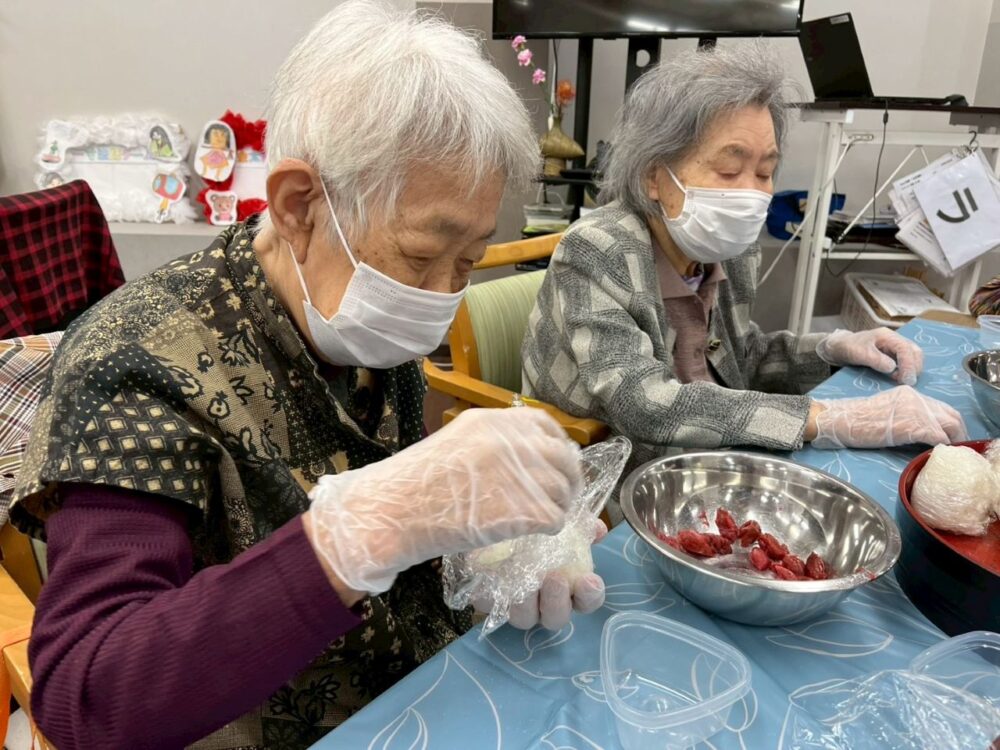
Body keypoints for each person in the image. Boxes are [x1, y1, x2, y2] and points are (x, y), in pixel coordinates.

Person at [7, 3, 603, 748]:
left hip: (420, 695)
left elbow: (414, 523)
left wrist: (491, 553)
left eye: (470, 260)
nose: (444, 295)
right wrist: (362, 531)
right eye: (423, 256)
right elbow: (86, 695)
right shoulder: (136, 363)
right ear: (298, 206)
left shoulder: (357, 317)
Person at [521, 43, 967, 489]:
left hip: (708, 456)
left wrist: (833, 348)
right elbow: (645, 403)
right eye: (730, 170)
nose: (752, 195)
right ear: (653, 178)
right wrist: (828, 417)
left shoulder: (731, 249)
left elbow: (742, 356)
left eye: (765, 171)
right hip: (609, 478)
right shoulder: (596, 251)